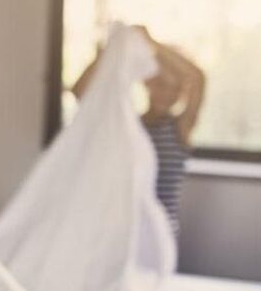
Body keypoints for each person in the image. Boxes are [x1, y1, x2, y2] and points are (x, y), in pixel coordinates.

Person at [73, 26, 206, 235]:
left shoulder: (180, 129)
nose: (168, 93)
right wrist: (108, 55)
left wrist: (151, 42)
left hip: (161, 234)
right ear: (148, 83)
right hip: (123, 229)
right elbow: (80, 93)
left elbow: (197, 78)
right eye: (161, 84)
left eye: (175, 88)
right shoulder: (129, 126)